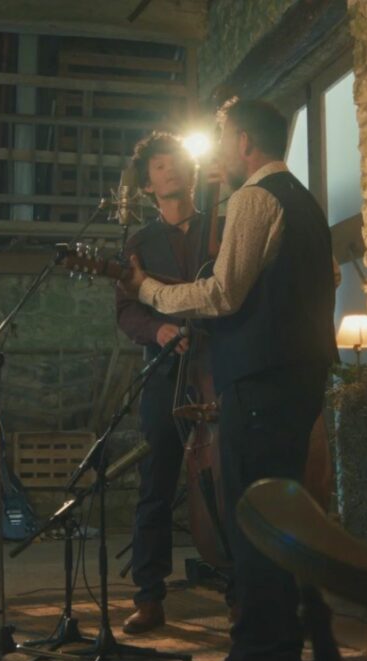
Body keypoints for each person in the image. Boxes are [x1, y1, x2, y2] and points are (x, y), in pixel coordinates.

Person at [122, 98, 339, 661]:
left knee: (255, 523)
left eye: (220, 137)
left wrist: (151, 294)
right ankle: (280, 651)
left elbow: (221, 295)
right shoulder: (303, 201)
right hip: (298, 377)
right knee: (280, 521)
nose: (215, 151)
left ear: (244, 142)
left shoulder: (254, 199)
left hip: (260, 384)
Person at [115, 131, 203, 635]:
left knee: (227, 480)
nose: (171, 169)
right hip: (165, 372)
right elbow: (127, 311)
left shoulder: (221, 227)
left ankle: (238, 589)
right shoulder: (140, 243)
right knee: (156, 484)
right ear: (148, 185)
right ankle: (149, 596)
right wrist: (159, 329)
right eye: (160, 166)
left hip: (218, 372)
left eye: (177, 161)